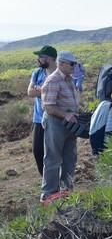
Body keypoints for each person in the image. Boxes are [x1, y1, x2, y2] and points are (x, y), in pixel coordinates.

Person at [40, 51, 80, 204]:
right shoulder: (53, 80)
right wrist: (66, 115)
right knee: (53, 158)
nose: (74, 67)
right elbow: (48, 107)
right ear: (62, 64)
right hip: (56, 123)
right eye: (72, 64)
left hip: (70, 124)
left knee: (70, 158)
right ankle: (48, 194)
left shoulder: (69, 79)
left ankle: (66, 191)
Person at [28, 45, 58, 176]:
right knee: (38, 151)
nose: (38, 59)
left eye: (41, 57)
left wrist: (39, 89)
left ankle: (58, 183)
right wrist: (47, 90)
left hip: (55, 118)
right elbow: (30, 92)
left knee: (55, 152)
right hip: (39, 119)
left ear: (50, 59)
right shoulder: (37, 72)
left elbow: (60, 94)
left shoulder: (60, 74)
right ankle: (46, 180)